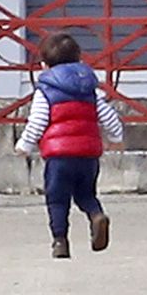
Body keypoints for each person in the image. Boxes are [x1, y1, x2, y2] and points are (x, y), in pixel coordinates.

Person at [15, 32, 125, 259]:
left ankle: (60, 242)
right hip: (88, 155)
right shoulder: (90, 89)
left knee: (57, 199)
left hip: (59, 158)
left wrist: (25, 144)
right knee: (86, 194)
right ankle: (96, 216)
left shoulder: (45, 91)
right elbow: (109, 116)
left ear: (44, 66)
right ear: (80, 61)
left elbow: (38, 121)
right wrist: (116, 138)